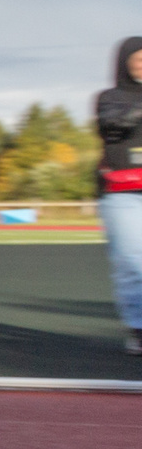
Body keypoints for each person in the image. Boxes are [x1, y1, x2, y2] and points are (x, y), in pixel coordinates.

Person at [93, 39, 142, 357]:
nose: (140, 64)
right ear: (123, 62)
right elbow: (111, 125)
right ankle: (138, 329)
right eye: (136, 59)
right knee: (133, 264)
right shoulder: (109, 98)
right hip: (122, 193)